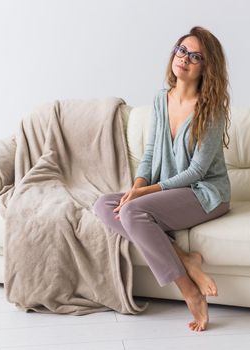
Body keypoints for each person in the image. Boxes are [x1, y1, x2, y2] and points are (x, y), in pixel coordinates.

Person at [93, 26, 231, 332]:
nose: (185, 59)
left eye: (196, 56)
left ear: (207, 68)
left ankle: (188, 290)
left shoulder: (211, 110)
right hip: (168, 191)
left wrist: (143, 196)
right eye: (182, 51)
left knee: (132, 210)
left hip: (205, 193)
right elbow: (151, 152)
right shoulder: (160, 99)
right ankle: (186, 258)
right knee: (104, 205)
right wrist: (137, 188)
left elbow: (196, 172)